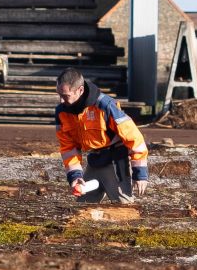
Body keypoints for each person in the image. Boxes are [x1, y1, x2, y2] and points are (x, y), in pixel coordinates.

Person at [54, 67, 148, 203]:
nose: (61, 101)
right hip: (94, 161)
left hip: (116, 160)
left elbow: (134, 138)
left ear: (80, 90)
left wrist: (140, 174)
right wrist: (75, 176)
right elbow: (68, 148)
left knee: (124, 207)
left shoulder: (105, 106)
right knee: (83, 206)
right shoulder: (62, 112)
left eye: (65, 96)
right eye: (59, 95)